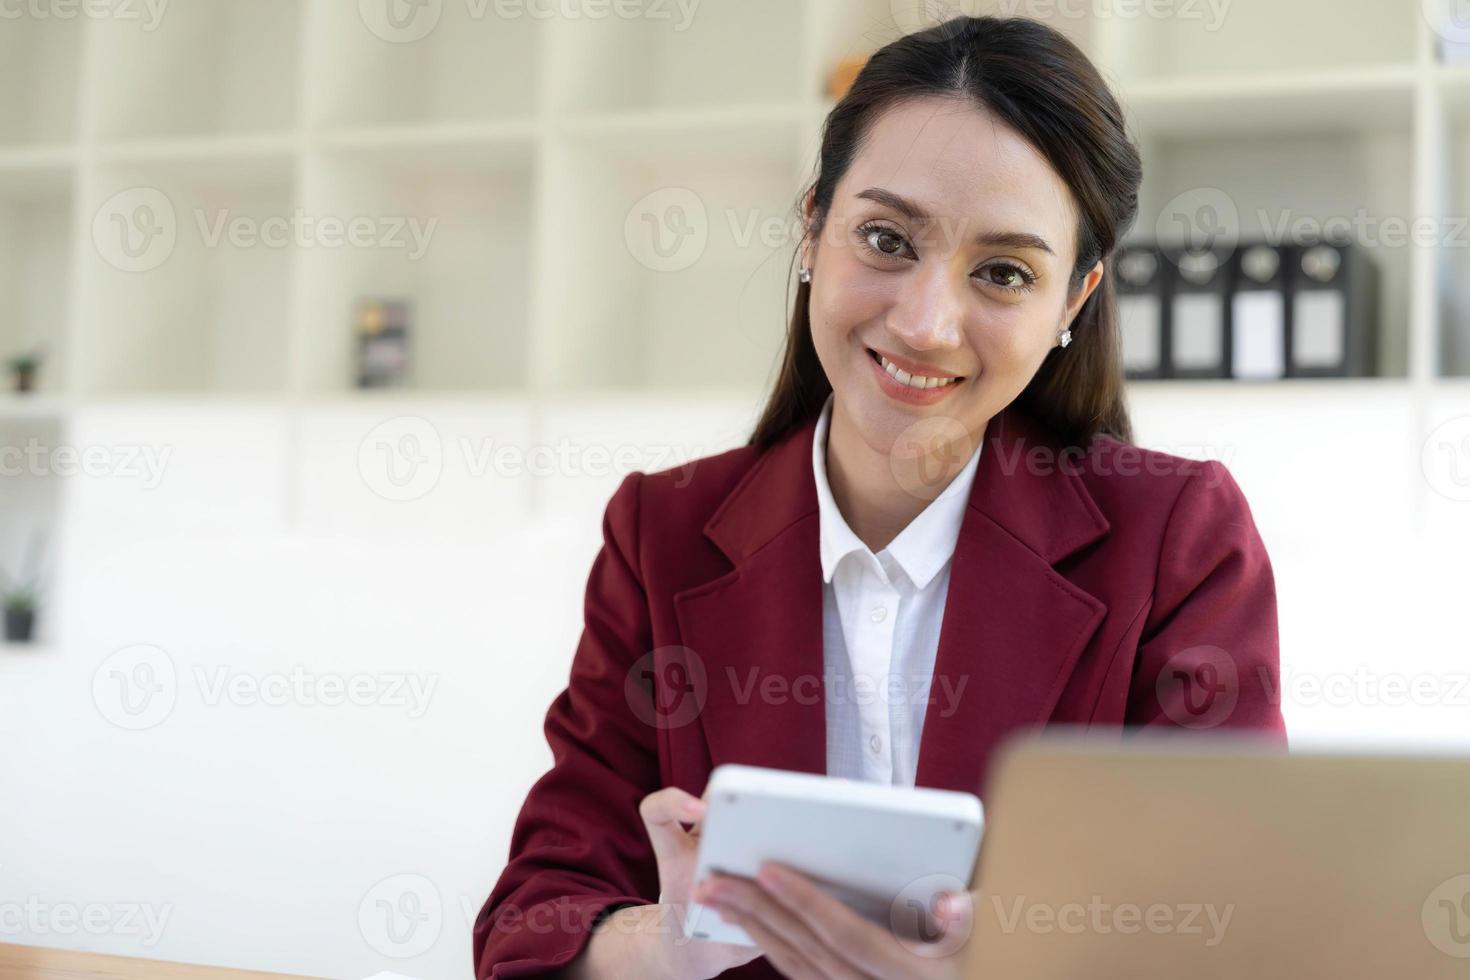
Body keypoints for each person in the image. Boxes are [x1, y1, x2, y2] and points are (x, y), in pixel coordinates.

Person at [473, 14, 1286, 979]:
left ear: (1073, 301)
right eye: (887, 238)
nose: (926, 323)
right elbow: (530, 924)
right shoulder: (663, 534)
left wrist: (1015, 959)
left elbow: (1244, 920)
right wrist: (669, 942)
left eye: (1003, 272)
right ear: (812, 227)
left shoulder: (1177, 541)